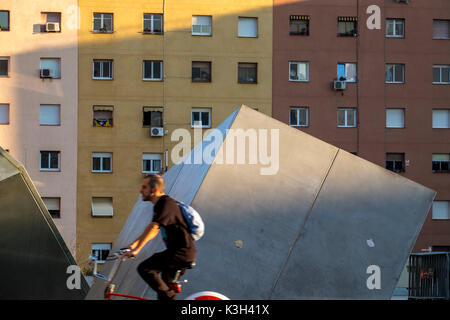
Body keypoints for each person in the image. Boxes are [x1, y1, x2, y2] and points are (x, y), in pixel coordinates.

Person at [123, 174, 196, 300]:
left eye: (144, 187)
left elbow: (153, 229)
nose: (141, 190)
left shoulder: (166, 204)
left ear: (155, 190)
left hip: (181, 253)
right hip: (177, 253)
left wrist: (137, 250)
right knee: (162, 293)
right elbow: (152, 229)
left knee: (145, 268)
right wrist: (133, 245)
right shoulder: (160, 205)